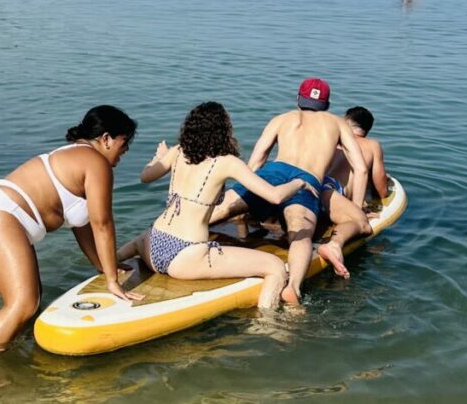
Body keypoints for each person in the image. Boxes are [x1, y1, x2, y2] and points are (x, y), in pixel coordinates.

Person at [0, 106, 141, 361]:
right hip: (1, 216)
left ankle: (10, 359)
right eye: (123, 145)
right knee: (22, 305)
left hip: (1, 216)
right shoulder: (96, 163)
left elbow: (83, 224)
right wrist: (113, 282)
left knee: (30, 306)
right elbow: (102, 223)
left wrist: (104, 265)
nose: (123, 154)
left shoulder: (78, 156)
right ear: (106, 139)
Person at [117, 102, 318, 309]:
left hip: (151, 244)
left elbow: (145, 176)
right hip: (185, 255)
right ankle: (267, 327)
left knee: (139, 239)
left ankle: (112, 261)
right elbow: (275, 196)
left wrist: (159, 157)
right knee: (275, 267)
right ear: (224, 131)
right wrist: (299, 182)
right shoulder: (227, 162)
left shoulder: (177, 151)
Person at [209, 78, 368, 306]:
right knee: (300, 232)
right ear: (327, 104)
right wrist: (357, 205)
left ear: (297, 99)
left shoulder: (281, 119)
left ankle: (169, 232)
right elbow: (361, 168)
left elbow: (256, 160)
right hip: (306, 179)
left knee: (222, 208)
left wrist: (247, 198)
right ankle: (293, 287)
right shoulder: (338, 124)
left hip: (273, 172)